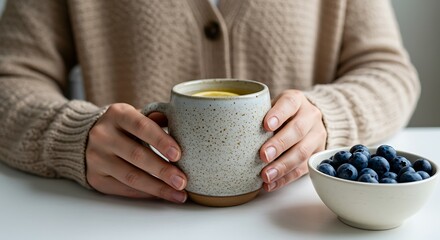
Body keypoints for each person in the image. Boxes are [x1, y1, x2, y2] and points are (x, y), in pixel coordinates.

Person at [0, 0, 420, 204]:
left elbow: (389, 72)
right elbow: (10, 77)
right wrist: (70, 135)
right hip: (121, 222)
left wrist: (329, 118)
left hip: (295, 219)